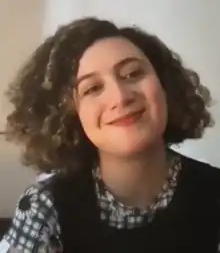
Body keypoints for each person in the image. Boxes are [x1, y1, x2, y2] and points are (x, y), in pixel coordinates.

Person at [0, 17, 219, 253]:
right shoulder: (44, 206)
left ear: (165, 87)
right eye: (92, 88)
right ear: (69, 115)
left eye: (133, 73)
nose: (120, 97)